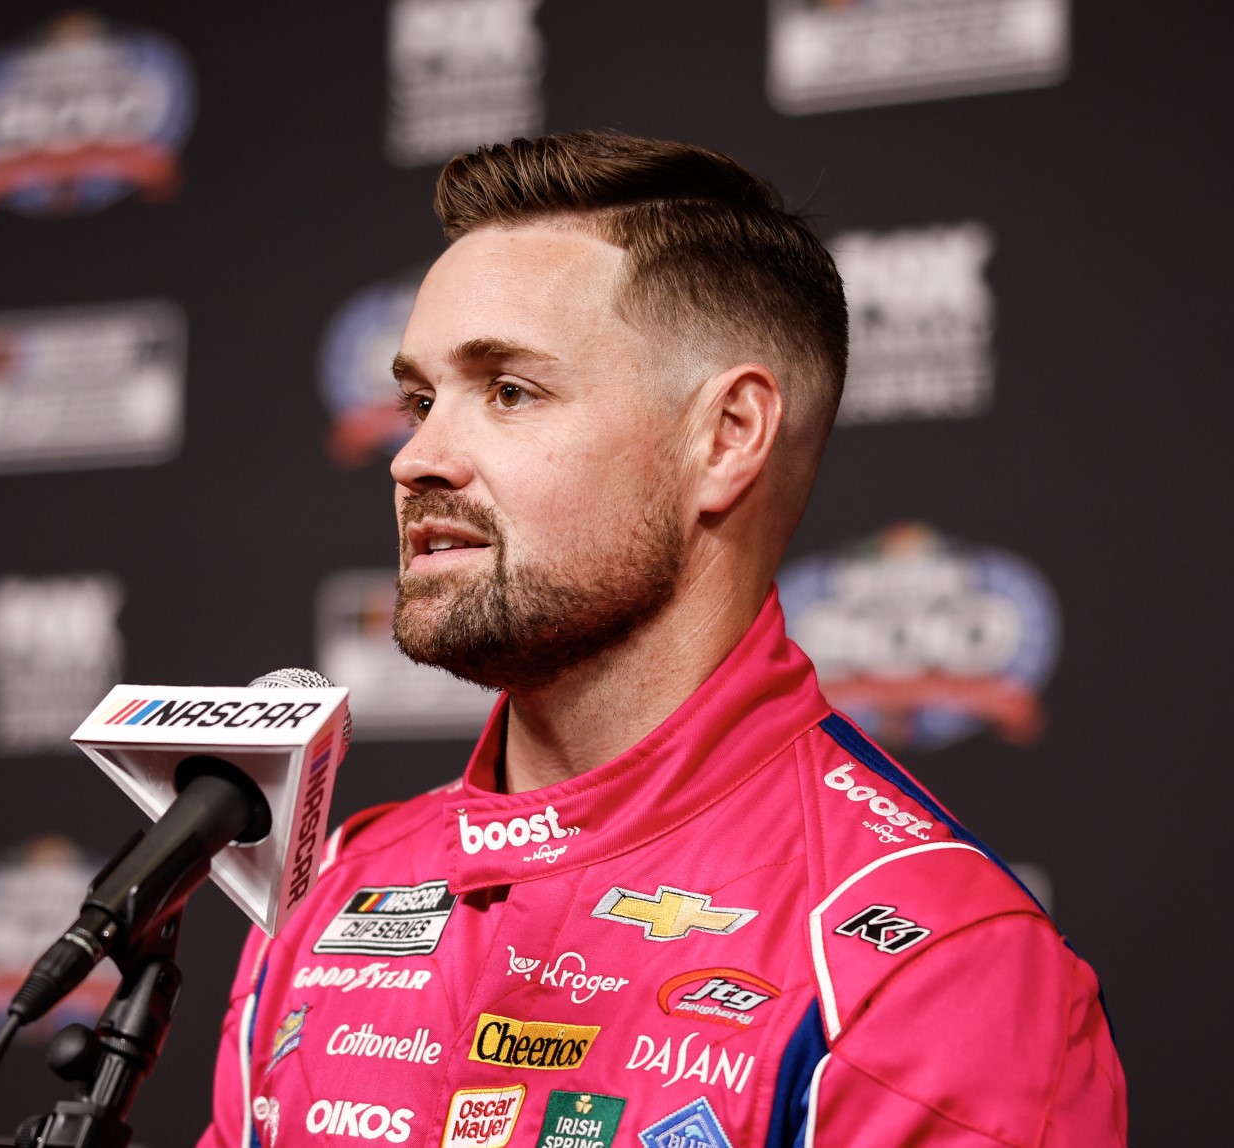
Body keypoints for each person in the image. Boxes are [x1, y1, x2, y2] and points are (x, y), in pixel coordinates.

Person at [199, 131, 1127, 1148]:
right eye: (421, 399)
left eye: (509, 390)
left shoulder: (932, 965)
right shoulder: (334, 892)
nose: (416, 456)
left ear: (726, 437)